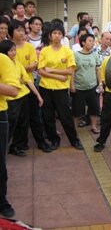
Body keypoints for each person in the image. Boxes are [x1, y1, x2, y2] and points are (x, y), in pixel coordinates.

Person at [37, 22, 83, 151]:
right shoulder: (45, 51)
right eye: (54, 33)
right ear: (50, 36)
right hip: (45, 88)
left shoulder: (67, 51)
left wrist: (51, 70)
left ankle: (74, 140)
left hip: (61, 90)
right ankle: (54, 140)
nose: (57, 36)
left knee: (66, 116)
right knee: (48, 116)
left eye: (59, 33)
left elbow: (70, 71)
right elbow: (41, 71)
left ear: (62, 36)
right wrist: (57, 76)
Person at [0, 40, 44, 156]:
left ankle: (17, 146)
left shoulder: (17, 63)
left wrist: (38, 95)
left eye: (14, 50)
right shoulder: (3, 65)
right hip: (11, 100)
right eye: (11, 50)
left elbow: (28, 80)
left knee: (23, 123)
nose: (14, 52)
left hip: (23, 96)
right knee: (10, 125)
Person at [0, 53, 20, 218]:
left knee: (0, 163)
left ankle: (2, 201)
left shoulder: (3, 59)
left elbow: (13, 91)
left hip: (0, 115)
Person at [71, 34, 102, 134]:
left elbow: (98, 70)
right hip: (79, 88)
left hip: (92, 87)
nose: (92, 43)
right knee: (76, 111)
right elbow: (72, 71)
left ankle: (93, 126)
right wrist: (72, 85)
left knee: (94, 108)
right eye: (90, 41)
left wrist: (100, 83)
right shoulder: (76, 55)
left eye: (93, 41)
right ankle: (74, 130)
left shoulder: (95, 54)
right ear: (83, 42)